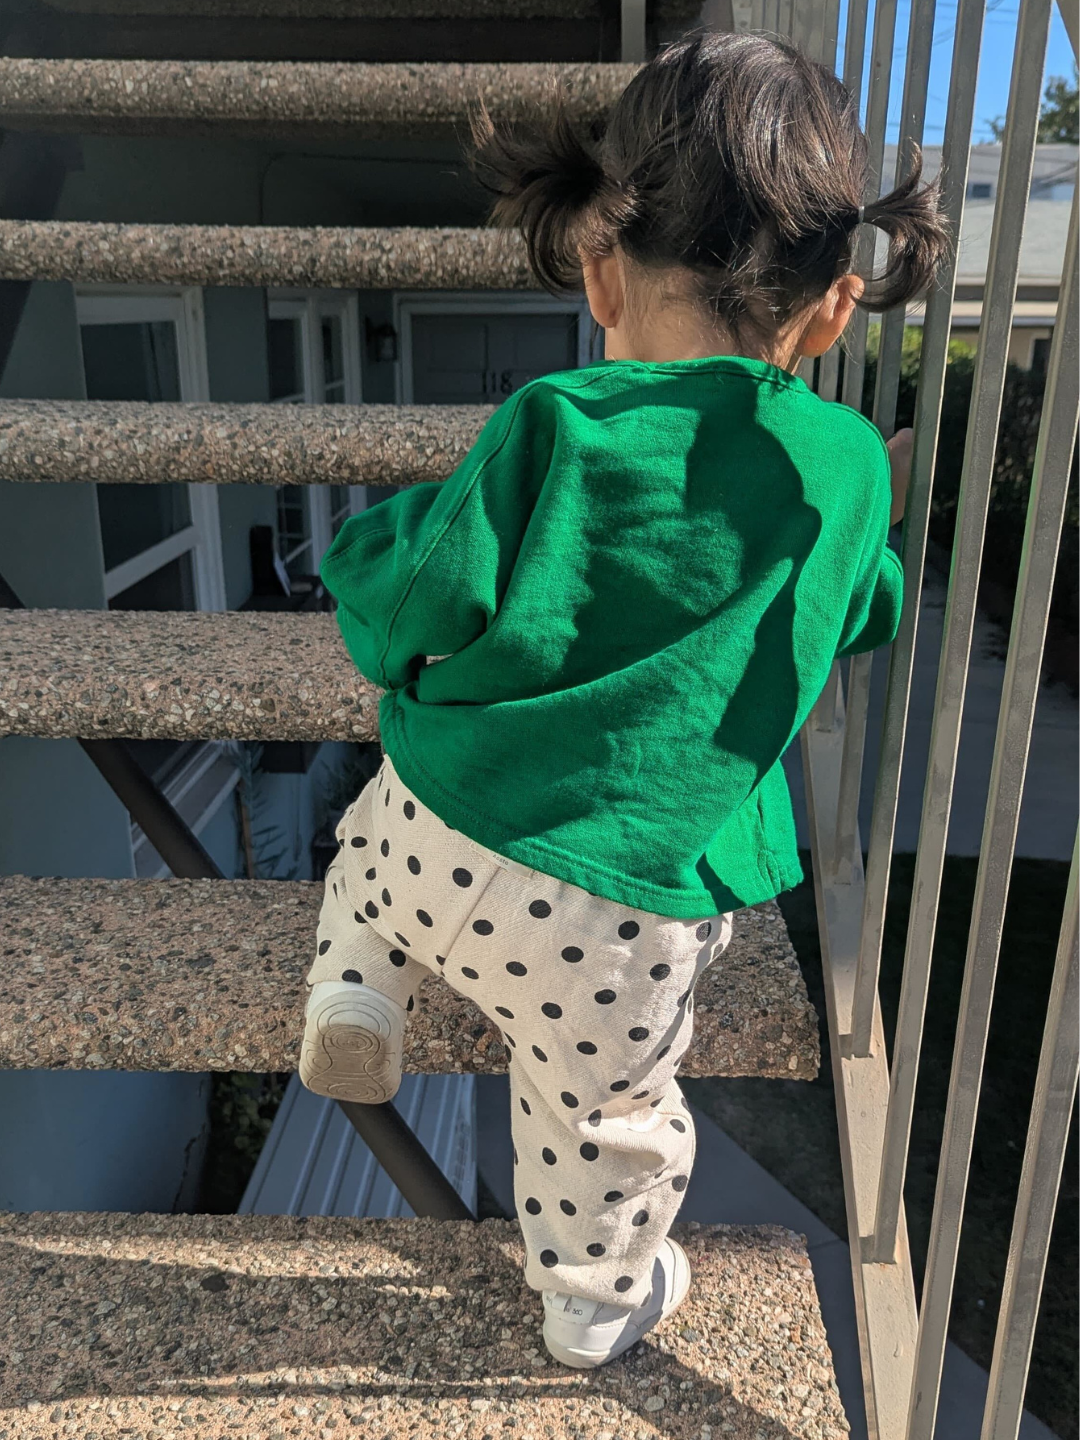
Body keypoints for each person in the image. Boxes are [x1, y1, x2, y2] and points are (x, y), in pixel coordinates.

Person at [299, 30, 947, 1369]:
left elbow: (417, 599)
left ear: (601, 271)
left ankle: (357, 989)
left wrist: (355, 561)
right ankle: (596, 1305)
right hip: (617, 927)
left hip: (440, 839)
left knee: (364, 846)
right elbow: (860, 615)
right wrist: (861, 521)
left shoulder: (554, 419)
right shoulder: (836, 469)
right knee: (603, 1116)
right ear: (835, 305)